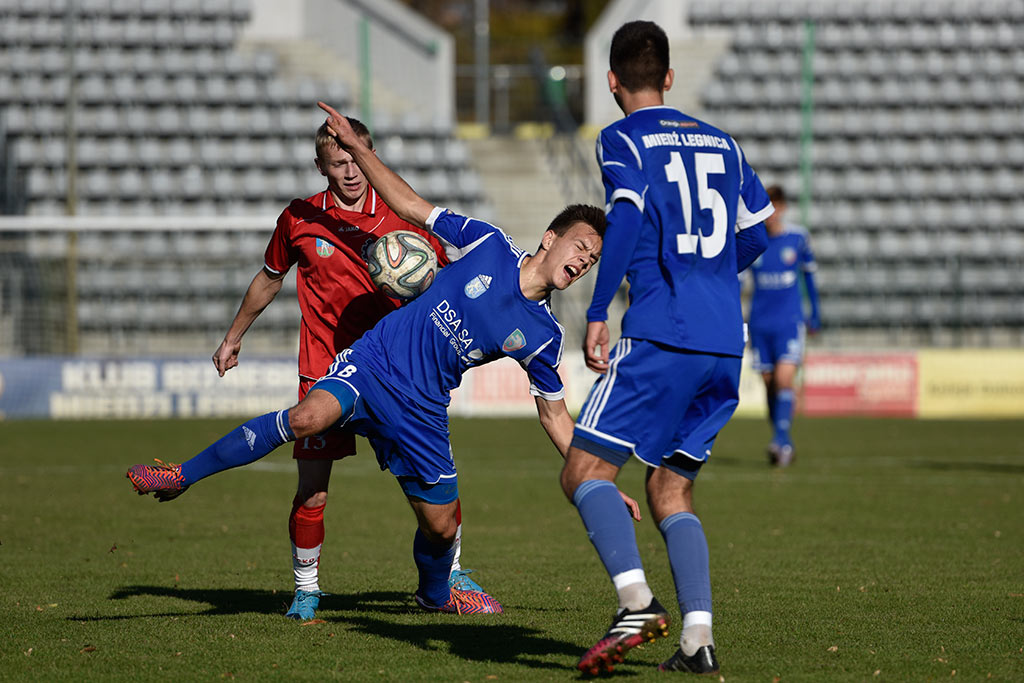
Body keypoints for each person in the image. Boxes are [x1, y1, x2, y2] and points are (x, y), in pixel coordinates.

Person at [128, 100, 639, 615]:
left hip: (421, 408)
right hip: (372, 362)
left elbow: (555, 417)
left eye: (592, 259)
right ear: (550, 238)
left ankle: (435, 594)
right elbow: (412, 205)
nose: (583, 259)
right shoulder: (489, 244)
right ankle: (181, 474)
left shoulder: (546, 337)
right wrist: (355, 147)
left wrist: (595, 481)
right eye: (579, 246)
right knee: (307, 419)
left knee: (441, 526)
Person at [208, 117, 487, 622]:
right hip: (324, 370)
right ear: (321, 167)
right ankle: (307, 588)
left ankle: (453, 572)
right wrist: (233, 337)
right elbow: (269, 279)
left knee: (435, 481)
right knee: (313, 488)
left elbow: (453, 277)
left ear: (368, 154)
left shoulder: (404, 213)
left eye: (356, 160)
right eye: (338, 165)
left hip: (398, 373)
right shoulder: (298, 218)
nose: (351, 173)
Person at [559, 21, 772, 675]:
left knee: (584, 473)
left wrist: (600, 310)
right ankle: (697, 639)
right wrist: (709, 277)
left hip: (661, 331)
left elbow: (623, 215)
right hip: (721, 342)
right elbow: (757, 232)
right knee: (670, 489)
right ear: (671, 78)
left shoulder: (623, 136)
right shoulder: (724, 143)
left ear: (613, 81)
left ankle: (635, 602)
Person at [747, 184, 821, 467]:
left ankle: (781, 441)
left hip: (789, 321)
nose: (773, 214)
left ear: (784, 208)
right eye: (769, 207)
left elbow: (810, 277)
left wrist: (814, 312)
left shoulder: (798, 238)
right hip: (760, 323)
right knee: (769, 386)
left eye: (777, 207)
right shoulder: (754, 240)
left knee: (784, 380)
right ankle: (781, 437)